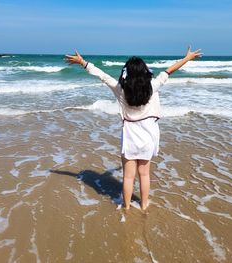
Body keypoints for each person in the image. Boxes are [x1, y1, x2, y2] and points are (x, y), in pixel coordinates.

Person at [65, 46, 202, 211]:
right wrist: (187, 58)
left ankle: (127, 206)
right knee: (144, 174)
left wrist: (82, 62)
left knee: (128, 177)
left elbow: (103, 76)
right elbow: (169, 71)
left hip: (130, 139)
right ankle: (144, 205)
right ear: (144, 71)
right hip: (148, 139)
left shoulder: (121, 91)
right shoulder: (153, 86)